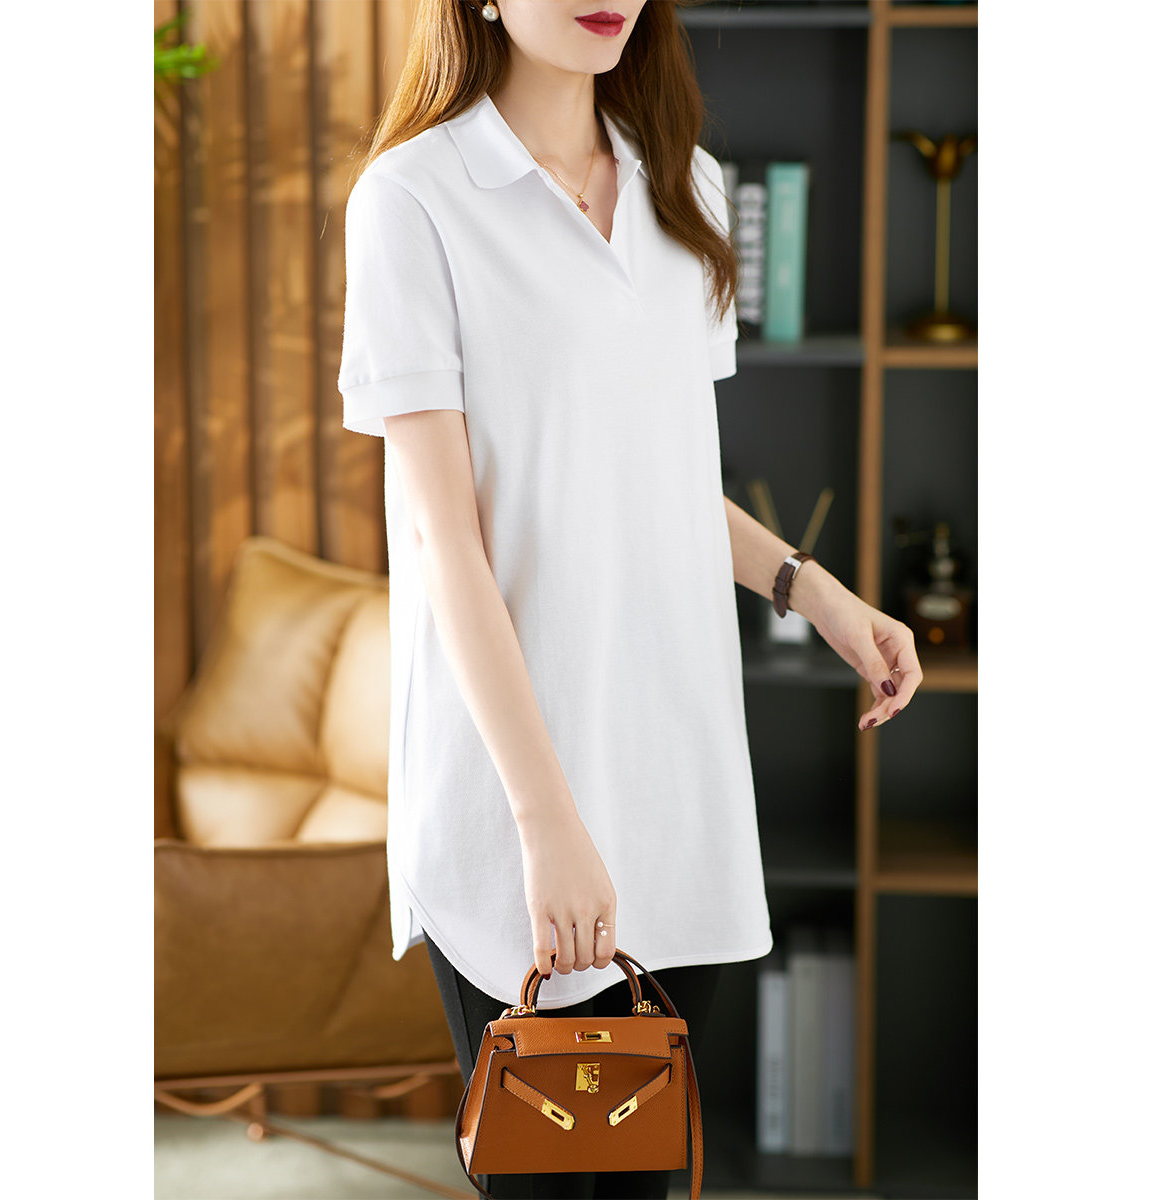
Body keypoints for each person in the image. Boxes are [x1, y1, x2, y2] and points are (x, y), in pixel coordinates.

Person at [337, 3, 922, 1196]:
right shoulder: (413, 199)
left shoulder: (685, 187)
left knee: (645, 1180)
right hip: (518, 801)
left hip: (672, 787)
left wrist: (815, 592)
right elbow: (448, 542)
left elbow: (660, 484)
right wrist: (546, 825)